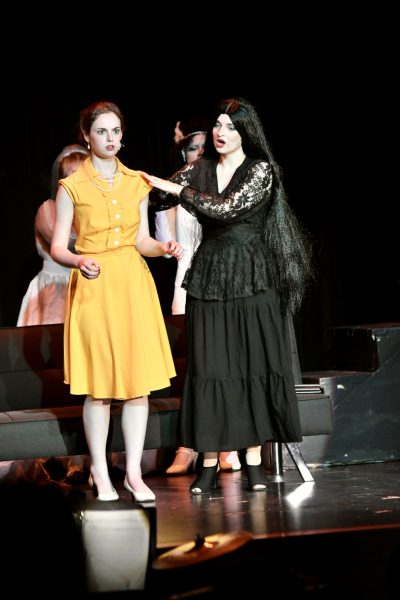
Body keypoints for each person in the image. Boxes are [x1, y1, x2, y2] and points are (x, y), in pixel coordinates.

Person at [143, 97, 313, 494]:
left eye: (230, 127)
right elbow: (158, 198)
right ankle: (207, 460)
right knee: (211, 369)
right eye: (218, 126)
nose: (221, 133)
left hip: (253, 275)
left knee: (252, 366)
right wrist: (165, 186)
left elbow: (227, 209)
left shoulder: (261, 170)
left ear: (245, 134)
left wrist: (178, 190)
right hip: (211, 273)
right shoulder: (198, 169)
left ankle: (253, 460)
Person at [51, 100, 183, 502]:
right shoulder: (71, 187)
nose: (110, 139)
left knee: (138, 386)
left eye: (116, 131)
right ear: (87, 137)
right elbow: (59, 245)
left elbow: (141, 241)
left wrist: (163, 247)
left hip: (133, 286)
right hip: (95, 287)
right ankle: (99, 470)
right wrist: (77, 259)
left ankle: (133, 474)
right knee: (100, 388)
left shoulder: (136, 183)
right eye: (102, 132)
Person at [155, 119, 241, 475]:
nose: (201, 153)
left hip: (223, 278)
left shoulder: (224, 184)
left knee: (227, 362)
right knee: (195, 368)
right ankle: (189, 444)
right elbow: (164, 244)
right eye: (193, 148)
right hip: (187, 280)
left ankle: (228, 444)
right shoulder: (175, 191)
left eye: (204, 147)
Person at [17, 145, 89, 326]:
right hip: (55, 287)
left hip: (87, 286)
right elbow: (65, 242)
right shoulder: (48, 209)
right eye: (72, 173)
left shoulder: (94, 210)